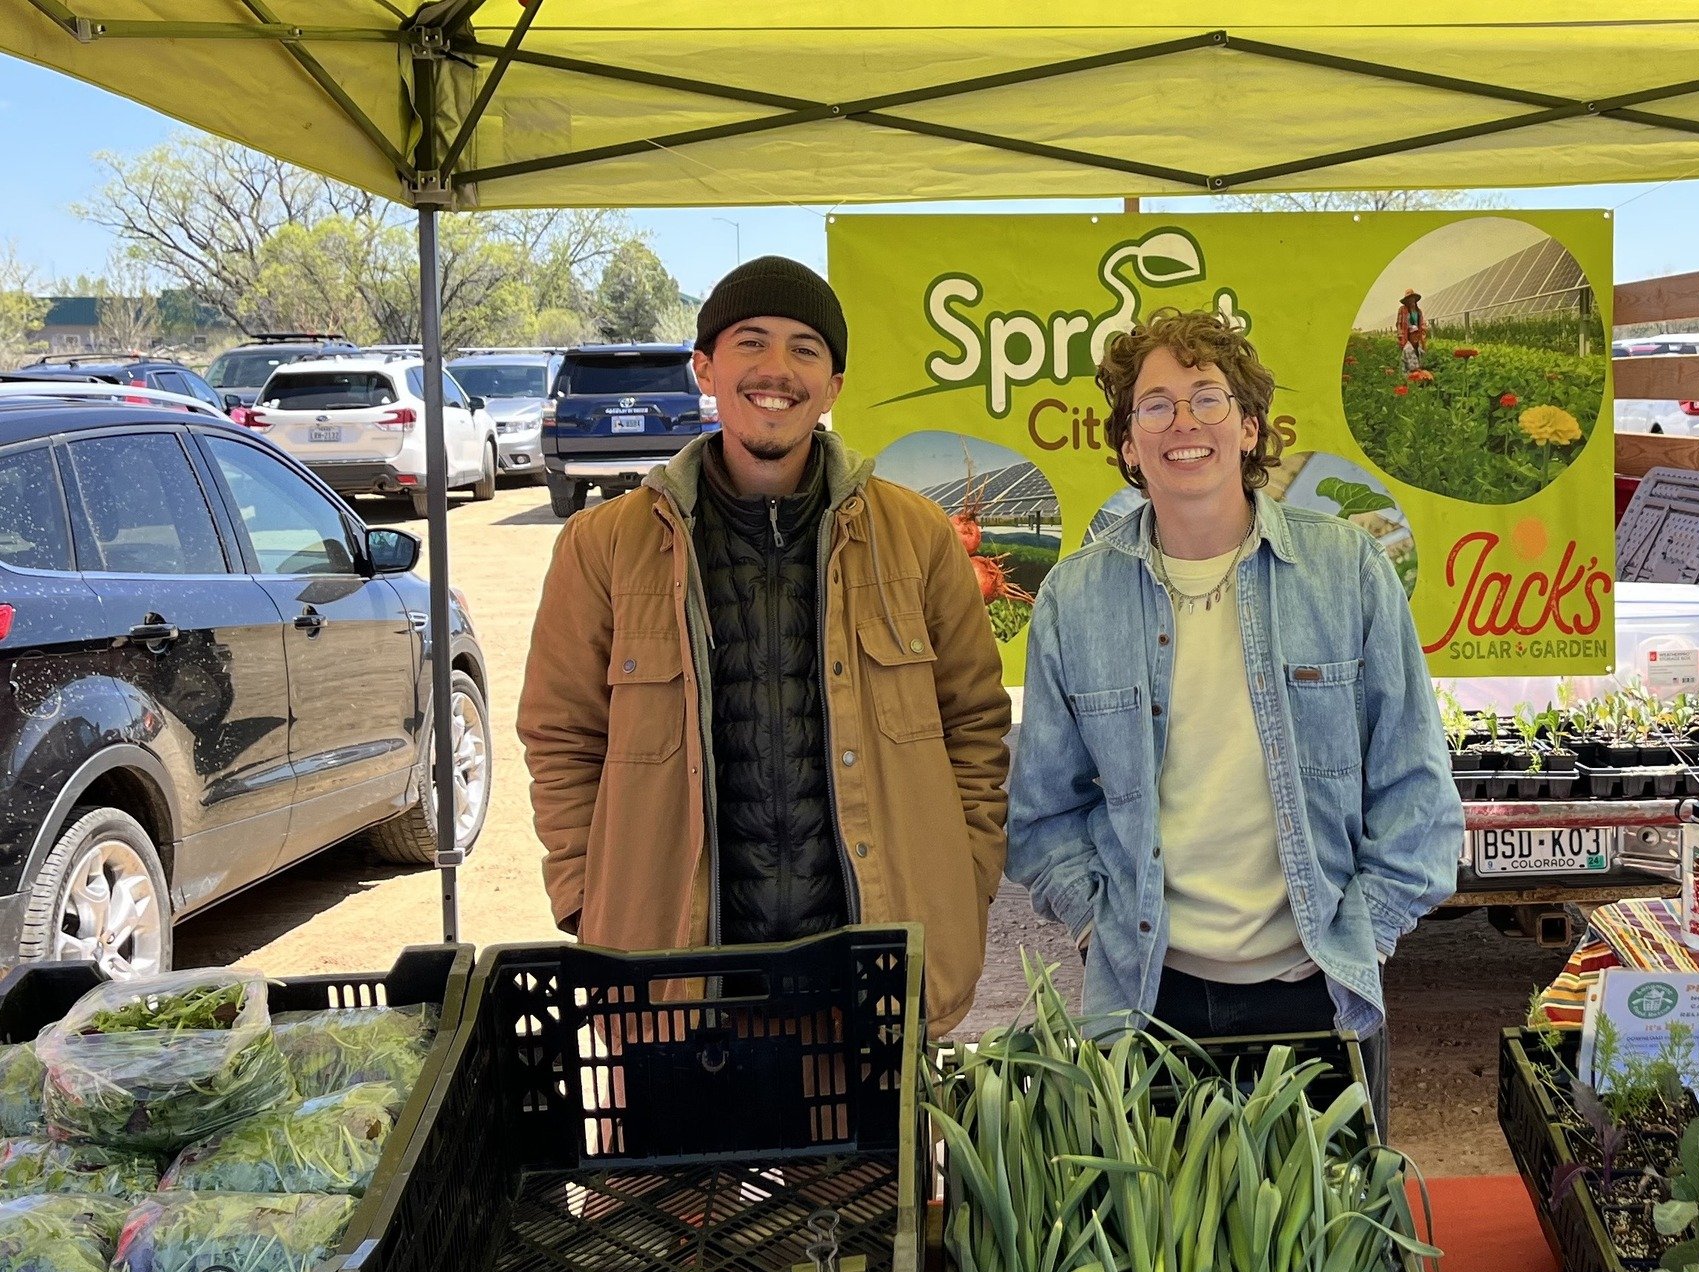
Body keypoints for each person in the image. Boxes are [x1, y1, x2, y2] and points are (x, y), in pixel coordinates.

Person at [518, 256, 1011, 1034]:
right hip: (678, 983)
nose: (776, 370)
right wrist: (587, 895)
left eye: (805, 349)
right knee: (670, 1161)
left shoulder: (916, 537)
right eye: (751, 343)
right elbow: (561, 736)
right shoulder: (604, 546)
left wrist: (966, 875)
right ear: (705, 369)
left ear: (833, 386)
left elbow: (976, 726)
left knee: (874, 1164)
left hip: (865, 977)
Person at [1005, 309, 1461, 1130]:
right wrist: (1097, 931)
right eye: (1156, 405)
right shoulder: (1074, 600)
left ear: (1250, 429)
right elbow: (1043, 814)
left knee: (1333, 1247)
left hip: (1316, 997)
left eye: (1208, 399)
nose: (1185, 423)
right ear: (1127, 445)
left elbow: (1417, 788)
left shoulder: (1346, 569)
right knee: (1162, 1256)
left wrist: (1366, 935)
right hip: (1149, 1004)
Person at [1397, 288, 1428, 372]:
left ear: (1414, 299)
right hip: (1407, 335)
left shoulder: (1418, 311)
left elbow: (1421, 323)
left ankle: (1419, 371)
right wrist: (1401, 336)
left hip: (1417, 334)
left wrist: (1423, 333)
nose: (1410, 301)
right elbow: (1399, 323)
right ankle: (1409, 373)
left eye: (1411, 298)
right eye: (1408, 299)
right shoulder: (1402, 310)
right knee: (1408, 351)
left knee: (1419, 352)